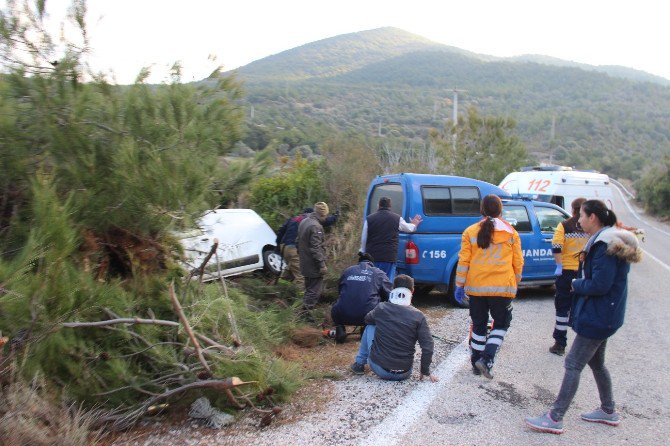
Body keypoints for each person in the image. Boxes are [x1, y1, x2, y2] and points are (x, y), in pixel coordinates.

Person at [525, 199, 642, 435]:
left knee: (573, 363)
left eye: (582, 216)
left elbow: (600, 284)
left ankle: (554, 417)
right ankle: (608, 410)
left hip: (599, 315)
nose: (578, 220)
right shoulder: (608, 238)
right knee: (596, 363)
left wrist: (576, 284)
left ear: (593, 218)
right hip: (607, 313)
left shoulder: (603, 246)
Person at [454, 194, 523, 379]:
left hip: (476, 287)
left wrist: (459, 285)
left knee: (479, 325)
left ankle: (476, 363)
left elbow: (464, 261)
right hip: (502, 288)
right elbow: (518, 262)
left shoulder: (470, 232)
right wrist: (515, 281)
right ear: (501, 210)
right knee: (501, 324)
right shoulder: (511, 233)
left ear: (481, 210)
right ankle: (487, 359)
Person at [350, 274, 438, 383]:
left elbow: (367, 319)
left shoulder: (381, 308)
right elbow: (428, 346)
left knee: (370, 326)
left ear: (393, 290)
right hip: (405, 372)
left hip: (380, 369)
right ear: (412, 291)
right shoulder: (418, 316)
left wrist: (385, 319)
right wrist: (425, 371)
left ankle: (359, 364)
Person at [549, 197, 589, 356]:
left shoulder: (564, 225)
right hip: (583, 273)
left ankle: (560, 344)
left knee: (562, 308)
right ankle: (584, 347)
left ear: (572, 209)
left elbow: (556, 246)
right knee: (582, 307)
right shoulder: (589, 227)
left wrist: (559, 265)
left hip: (566, 272)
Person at [330, 252, 392, 342]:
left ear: (358, 262)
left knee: (339, 304)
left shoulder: (348, 271)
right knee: (379, 305)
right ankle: (366, 330)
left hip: (342, 313)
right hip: (367, 314)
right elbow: (390, 295)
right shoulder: (378, 273)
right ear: (371, 263)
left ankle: (340, 329)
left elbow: (340, 291)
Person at [360, 197, 422, 282]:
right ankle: (386, 295)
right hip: (389, 257)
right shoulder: (397, 218)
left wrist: (363, 252)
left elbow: (364, 238)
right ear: (390, 206)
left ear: (378, 205)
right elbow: (409, 228)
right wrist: (414, 224)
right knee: (387, 282)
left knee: (372, 281)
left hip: (372, 256)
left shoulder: (369, 219)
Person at [276, 207, 338, 287]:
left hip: (284, 247)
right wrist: (335, 217)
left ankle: (280, 287)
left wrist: (278, 246)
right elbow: (325, 221)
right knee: (301, 277)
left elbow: (281, 231)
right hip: (294, 248)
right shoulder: (309, 221)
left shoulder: (293, 219)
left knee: (291, 267)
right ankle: (299, 297)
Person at [296, 202, 330, 312]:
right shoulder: (316, 226)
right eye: (325, 215)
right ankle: (305, 314)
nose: (326, 218)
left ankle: (305, 313)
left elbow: (297, 241)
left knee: (308, 288)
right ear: (322, 214)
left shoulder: (304, 221)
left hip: (304, 262)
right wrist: (322, 265)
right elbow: (316, 248)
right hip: (313, 265)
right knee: (314, 291)